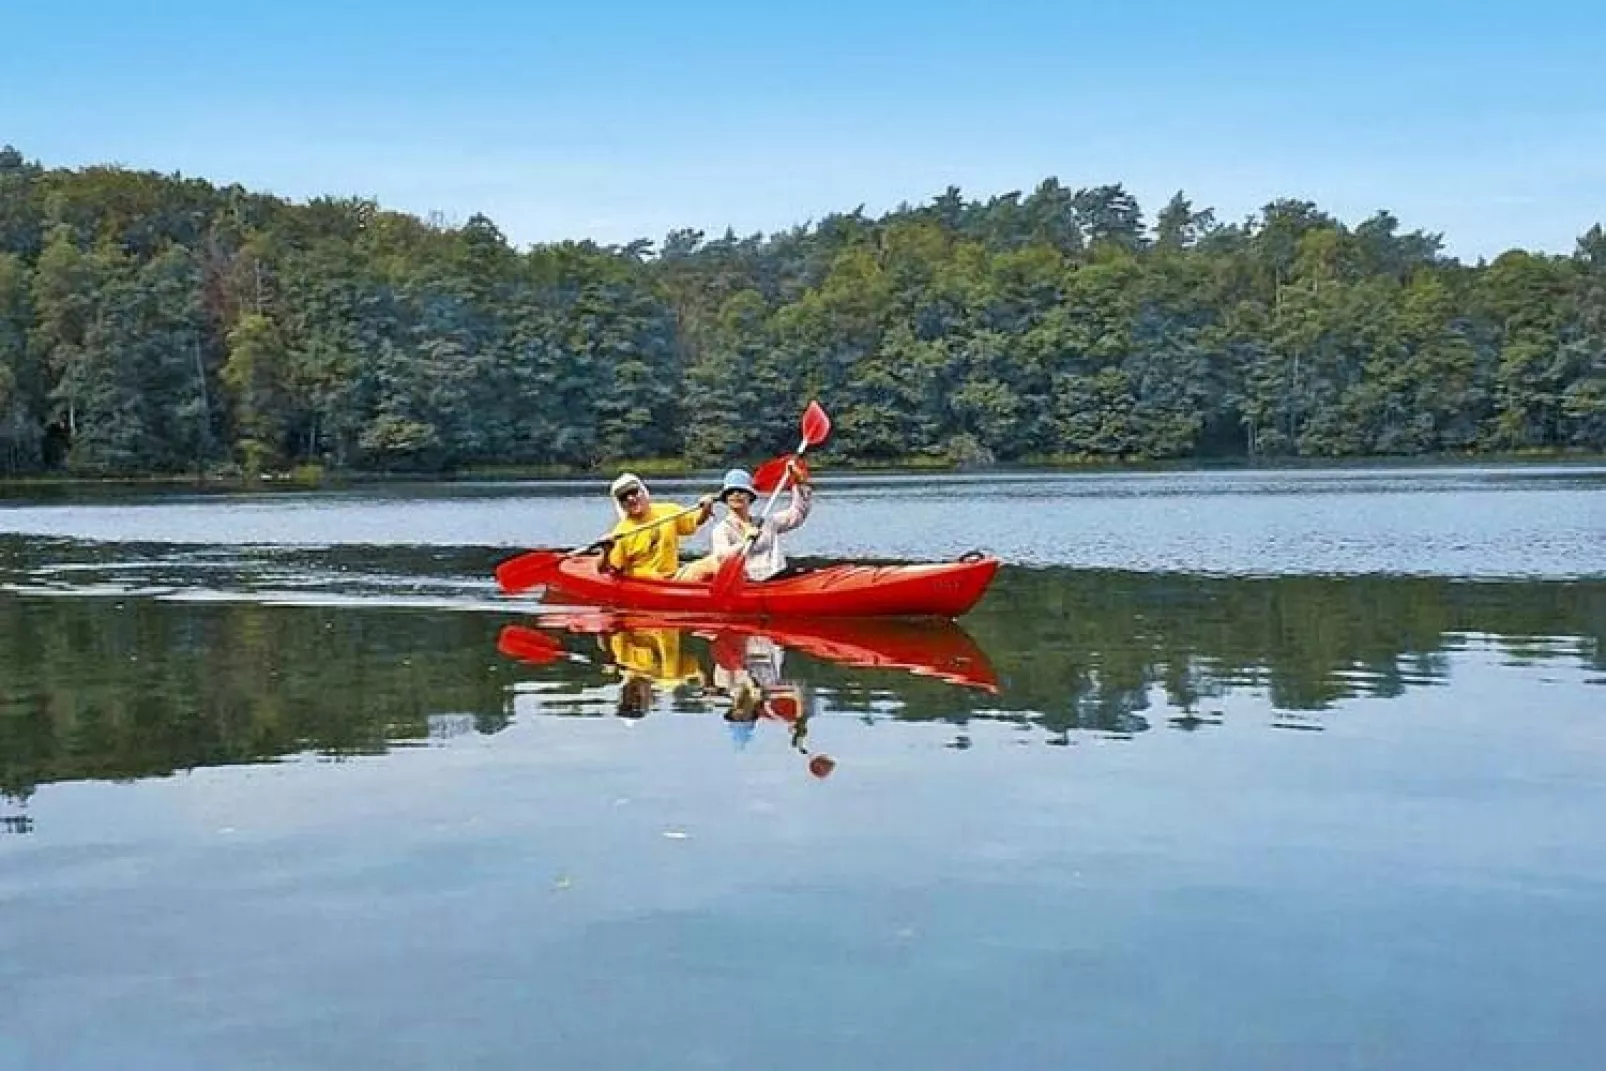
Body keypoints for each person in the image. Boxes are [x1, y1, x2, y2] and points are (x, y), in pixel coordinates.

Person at [678, 461, 813, 583]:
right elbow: (721, 557)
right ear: (726, 498)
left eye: (742, 491)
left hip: (776, 576)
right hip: (746, 582)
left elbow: (798, 514)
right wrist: (744, 541)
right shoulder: (722, 530)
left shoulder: (766, 522)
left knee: (807, 573)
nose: (736, 494)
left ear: (750, 496)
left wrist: (799, 484)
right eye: (731, 492)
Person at [597, 472, 716, 580]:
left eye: (633, 492)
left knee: (715, 562)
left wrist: (706, 508)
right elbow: (607, 569)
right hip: (646, 584)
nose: (631, 498)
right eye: (623, 497)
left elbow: (697, 521)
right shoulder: (620, 532)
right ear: (621, 504)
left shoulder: (669, 510)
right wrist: (606, 551)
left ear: (642, 492)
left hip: (675, 577)